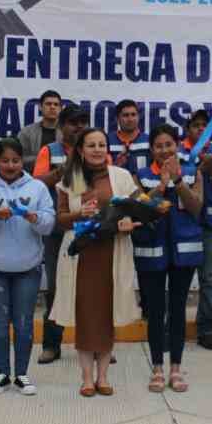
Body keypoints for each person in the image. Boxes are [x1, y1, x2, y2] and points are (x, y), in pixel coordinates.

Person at [53, 127, 142, 397]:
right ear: (81, 150)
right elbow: (61, 218)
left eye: (102, 144)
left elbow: (140, 207)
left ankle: (103, 377)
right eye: (91, 145)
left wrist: (130, 223)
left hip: (111, 251)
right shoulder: (72, 178)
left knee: (106, 315)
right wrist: (80, 212)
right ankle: (87, 378)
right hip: (82, 255)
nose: (97, 150)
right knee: (84, 316)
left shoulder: (121, 177)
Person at [0, 138, 56, 395]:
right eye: (5, 160)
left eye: (15, 160)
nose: (10, 165)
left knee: (24, 323)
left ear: (22, 162)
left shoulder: (37, 188)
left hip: (28, 268)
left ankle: (23, 374)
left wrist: (33, 217)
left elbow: (49, 224)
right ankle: (2, 373)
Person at [134, 124, 204, 394]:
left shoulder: (191, 171)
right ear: (151, 149)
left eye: (169, 145)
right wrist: (162, 185)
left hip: (183, 255)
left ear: (178, 146)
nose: (164, 150)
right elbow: (141, 211)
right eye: (159, 145)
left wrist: (177, 180)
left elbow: (197, 207)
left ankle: (176, 368)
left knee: (177, 311)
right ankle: (157, 369)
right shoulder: (140, 175)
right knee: (156, 312)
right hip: (151, 253)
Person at [31, 104, 92, 363]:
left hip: (88, 227)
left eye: (82, 122)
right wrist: (60, 171)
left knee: (92, 289)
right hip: (58, 228)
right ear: (61, 126)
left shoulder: (94, 148)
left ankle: (95, 343)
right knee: (56, 287)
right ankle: (51, 345)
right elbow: (35, 185)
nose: (78, 127)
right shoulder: (50, 151)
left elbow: (105, 182)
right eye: (73, 122)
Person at [179, 109, 212, 351]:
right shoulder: (178, 152)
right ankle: (175, 328)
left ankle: (206, 329)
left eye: (204, 125)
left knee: (209, 280)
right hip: (185, 225)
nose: (200, 129)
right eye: (195, 125)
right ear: (187, 128)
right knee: (180, 280)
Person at [107, 99, 151, 174]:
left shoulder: (149, 140)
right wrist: (115, 166)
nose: (130, 119)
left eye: (133, 114)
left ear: (138, 117)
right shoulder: (107, 140)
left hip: (143, 185)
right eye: (125, 115)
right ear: (117, 118)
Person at [17, 89, 63, 161]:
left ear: (60, 109)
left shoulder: (67, 132)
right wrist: (43, 159)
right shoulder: (26, 132)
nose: (52, 107)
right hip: (33, 172)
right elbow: (18, 159)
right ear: (40, 107)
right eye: (48, 104)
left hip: (62, 172)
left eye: (56, 104)